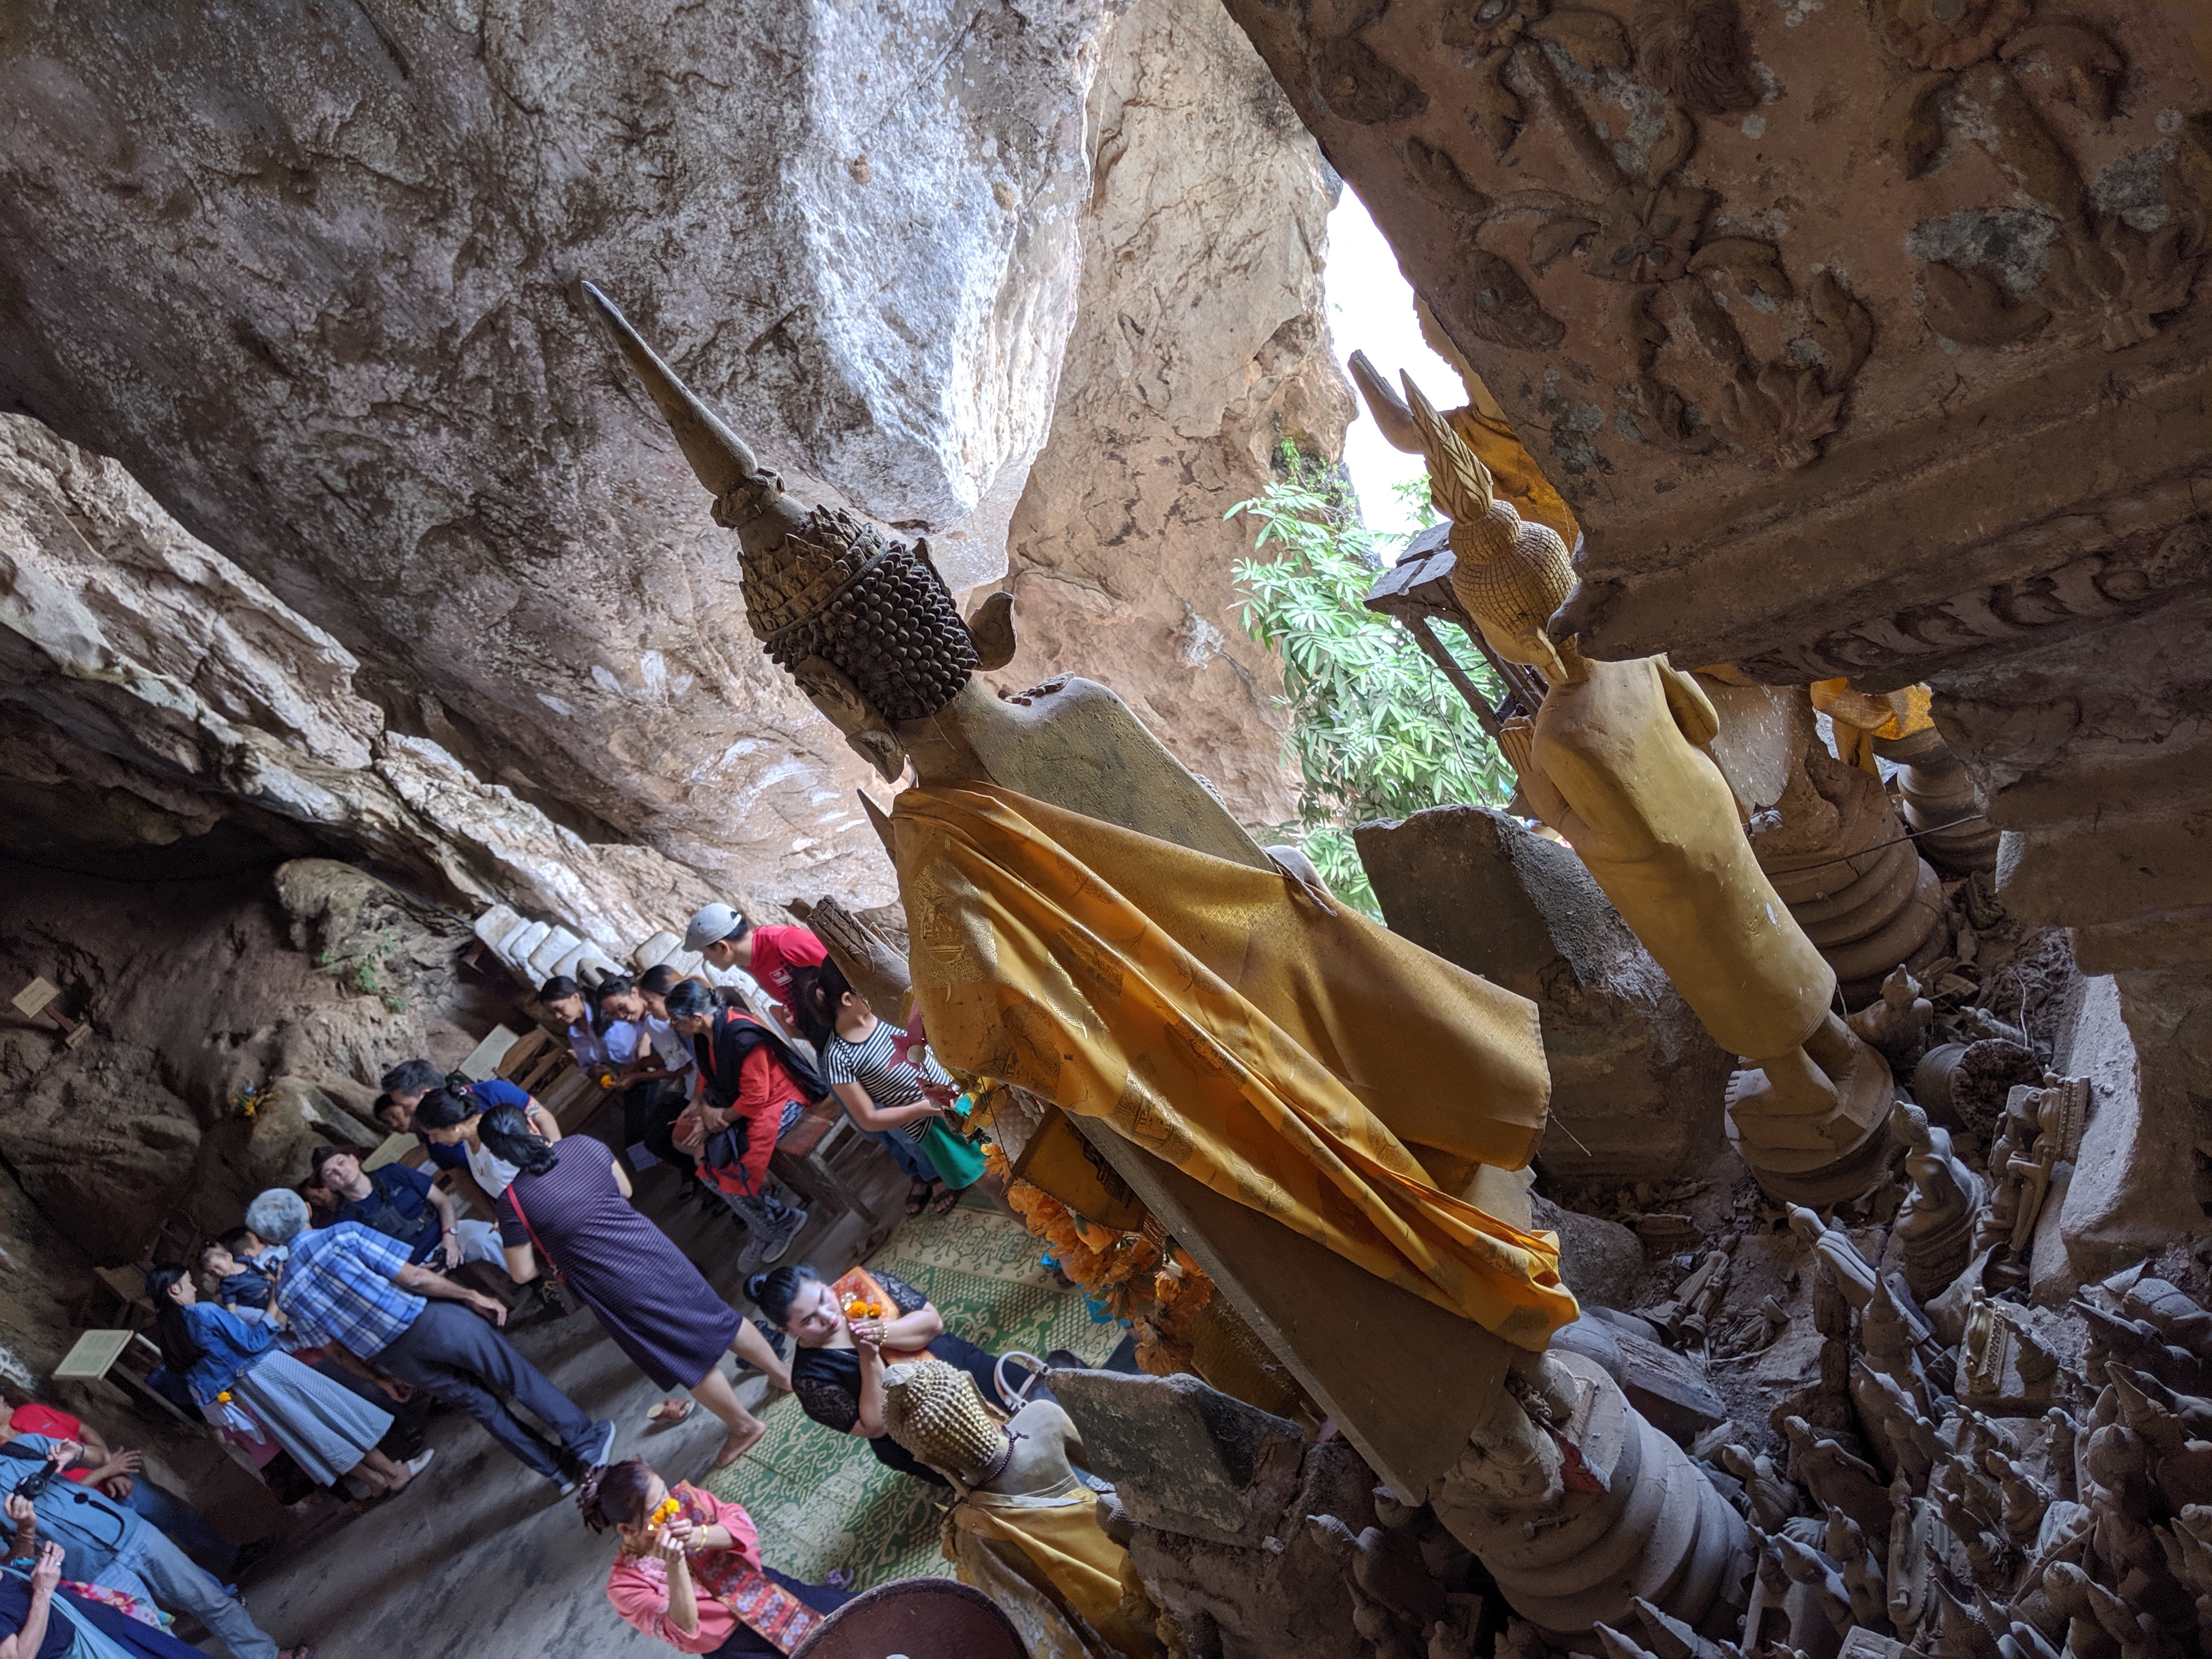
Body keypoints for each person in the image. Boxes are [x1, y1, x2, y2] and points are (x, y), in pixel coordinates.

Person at [246, 1189, 614, 1496]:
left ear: (269, 1241)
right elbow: (414, 1278)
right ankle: (585, 1444)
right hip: (427, 1322)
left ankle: (559, 1472)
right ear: (308, 1209)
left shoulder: (287, 1293)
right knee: (513, 1375)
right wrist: (470, 1294)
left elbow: (335, 1352)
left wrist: (381, 1380)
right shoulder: (342, 1235)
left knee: (482, 1407)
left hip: (395, 1357)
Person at [482, 1107, 787, 1468]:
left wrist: (522, 1234)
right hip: (652, 1248)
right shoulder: (583, 1144)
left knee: (683, 1355)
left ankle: (745, 1426)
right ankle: (782, 1376)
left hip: (614, 1283)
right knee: (720, 1317)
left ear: (499, 1155)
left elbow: (522, 1273)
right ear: (532, 1125)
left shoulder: (513, 1202)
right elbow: (624, 1190)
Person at [0, 1435, 301, 1659]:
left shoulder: (21, 1448)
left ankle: (267, 1655)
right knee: (159, 1640)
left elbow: (100, 1456)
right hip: (90, 1572)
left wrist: (76, 1451)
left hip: (128, 1531)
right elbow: (14, 1566)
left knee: (210, 1599)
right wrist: (26, 1529)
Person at [144, 1268, 427, 1500]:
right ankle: (394, 1473)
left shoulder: (171, 1338)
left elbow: (206, 1387)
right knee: (334, 1417)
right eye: (189, 1282)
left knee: (315, 1436)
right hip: (272, 1373)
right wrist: (276, 1296)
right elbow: (253, 1341)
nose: (194, 1288)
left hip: (251, 1393)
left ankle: (375, 1480)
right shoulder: (203, 1313)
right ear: (174, 1290)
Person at [743, 1263, 1005, 1488]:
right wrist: (868, 1356)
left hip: (957, 1368)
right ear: (785, 1330)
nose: (827, 1316)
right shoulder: (809, 1379)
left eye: (823, 1299)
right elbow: (876, 1427)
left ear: (824, 1285)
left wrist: (882, 1333)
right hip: (918, 1433)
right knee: (999, 1476)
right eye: (808, 1320)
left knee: (1025, 1403)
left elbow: (933, 1325)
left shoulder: (858, 1289)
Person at [794, 960, 1006, 1220]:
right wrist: (927, 1108)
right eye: (865, 989)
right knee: (995, 1182)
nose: (874, 992)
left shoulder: (886, 1013)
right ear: (848, 999)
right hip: (935, 1128)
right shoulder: (838, 1057)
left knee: (1012, 1157)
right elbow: (868, 1119)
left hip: (962, 1098)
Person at [585, 1457, 849, 1655]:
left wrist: (701, 1536)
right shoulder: (625, 1587)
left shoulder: (683, 1503)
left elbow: (743, 1527)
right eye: (658, 1512)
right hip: (731, 1644)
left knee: (849, 1622)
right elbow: (684, 1630)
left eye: (667, 1494)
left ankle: (822, 1595)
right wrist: (675, 1565)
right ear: (627, 1530)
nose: (672, 1509)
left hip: (758, 1588)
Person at [662, 980, 810, 1273]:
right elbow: (707, 1076)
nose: (673, 1026)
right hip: (743, 1107)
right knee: (707, 1162)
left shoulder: (740, 1036)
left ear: (696, 1018)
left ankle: (775, 1227)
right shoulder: (705, 1035)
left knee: (724, 1161)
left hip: (781, 1103)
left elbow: (756, 1098)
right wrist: (703, 1109)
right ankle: (775, 1221)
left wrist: (717, 1120)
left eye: (676, 1021)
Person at [0, 1411, 234, 1582]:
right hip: (95, 1515)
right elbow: (58, 1496)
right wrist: (108, 1471)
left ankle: (232, 1556)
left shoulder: (29, 1414)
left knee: (176, 1516)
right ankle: (223, 1593)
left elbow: (83, 1432)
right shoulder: (8, 1457)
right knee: (161, 1566)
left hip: (118, 1483)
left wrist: (111, 1467)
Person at [379, 1062, 563, 1220]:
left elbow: (542, 1118)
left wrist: (563, 1166)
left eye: (405, 1107)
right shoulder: (438, 1140)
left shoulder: (492, 1092)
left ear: (426, 1094)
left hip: (552, 1190)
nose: (405, 1114)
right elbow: (463, 1180)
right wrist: (495, 1217)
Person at [0, 1531, 209, 1659]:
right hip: (90, 1649)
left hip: (108, 1626)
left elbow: (23, 1576)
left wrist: (48, 1560)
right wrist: (43, 1593)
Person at [307, 1147, 504, 1271]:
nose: (340, 1172)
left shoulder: (393, 1172)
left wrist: (450, 1239)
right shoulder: (344, 1222)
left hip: (448, 1234)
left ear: (354, 1159)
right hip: (414, 1267)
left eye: (341, 1163)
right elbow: (372, 1264)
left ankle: (524, 1277)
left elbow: (443, 1202)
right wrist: (415, 1275)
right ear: (329, 1186)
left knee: (487, 1237)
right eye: (331, 1173)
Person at [681, 904, 825, 1034]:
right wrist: (796, 1009)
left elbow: (837, 961)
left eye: (704, 952)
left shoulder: (784, 942)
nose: (706, 958)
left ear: (722, 947)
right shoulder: (747, 963)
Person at [541, 977, 612, 1077]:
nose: (557, 1016)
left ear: (575, 997)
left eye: (559, 1009)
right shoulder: (574, 1034)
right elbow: (585, 1066)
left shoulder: (608, 1012)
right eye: (552, 1013)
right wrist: (593, 1070)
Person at [198, 1234, 279, 1319]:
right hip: (260, 1303)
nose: (217, 1272)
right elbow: (231, 1306)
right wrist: (233, 1317)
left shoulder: (244, 1261)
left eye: (217, 1266)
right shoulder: (227, 1285)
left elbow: (262, 1271)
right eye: (212, 1273)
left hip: (271, 1289)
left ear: (229, 1257)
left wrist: (273, 1279)